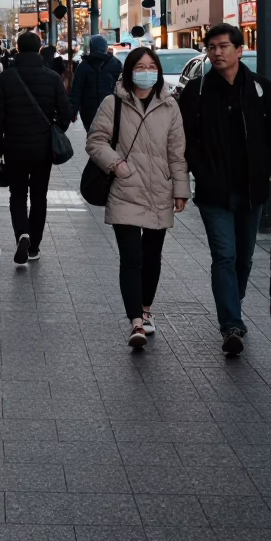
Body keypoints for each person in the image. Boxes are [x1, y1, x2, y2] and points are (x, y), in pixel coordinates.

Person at [179, 23, 271, 356]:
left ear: (239, 50)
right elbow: (183, 139)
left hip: (252, 189)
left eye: (223, 46)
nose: (217, 52)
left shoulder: (261, 89)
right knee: (224, 256)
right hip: (214, 192)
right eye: (211, 47)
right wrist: (200, 170)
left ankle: (233, 300)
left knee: (244, 258)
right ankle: (231, 324)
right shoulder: (196, 91)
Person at [86, 47, 189, 348]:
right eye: (140, 66)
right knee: (131, 258)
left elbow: (177, 153)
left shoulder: (170, 106)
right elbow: (96, 141)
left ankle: (146, 310)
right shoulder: (113, 103)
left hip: (159, 189)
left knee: (151, 257)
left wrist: (181, 189)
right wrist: (117, 165)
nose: (146, 71)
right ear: (129, 71)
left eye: (151, 66)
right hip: (125, 188)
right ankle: (135, 322)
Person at [0, 31, 71, 266]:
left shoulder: (5, 78)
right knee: (38, 197)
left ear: (17, 48)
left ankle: (21, 234)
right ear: (39, 49)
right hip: (43, 148)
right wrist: (55, 130)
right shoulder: (53, 77)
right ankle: (34, 245)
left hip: (14, 147)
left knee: (17, 194)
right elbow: (65, 113)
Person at [69, 34, 123, 131]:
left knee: (93, 138)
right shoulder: (115, 63)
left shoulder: (83, 66)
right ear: (105, 47)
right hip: (111, 109)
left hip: (89, 111)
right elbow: (123, 88)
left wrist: (73, 112)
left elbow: (76, 91)